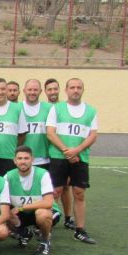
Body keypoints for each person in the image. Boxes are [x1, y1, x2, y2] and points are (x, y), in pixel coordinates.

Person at [46, 77, 98, 244]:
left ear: (83, 90)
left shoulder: (91, 111)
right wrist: (67, 151)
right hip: (58, 157)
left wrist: (77, 150)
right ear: (66, 90)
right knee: (55, 193)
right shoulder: (57, 109)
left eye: (79, 87)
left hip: (80, 158)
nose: (75, 90)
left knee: (79, 193)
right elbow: (50, 133)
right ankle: (47, 229)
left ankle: (80, 230)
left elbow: (93, 135)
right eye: (72, 87)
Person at [5, 146, 59, 255]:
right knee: (3, 214)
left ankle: (45, 241)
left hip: (44, 212)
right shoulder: (8, 176)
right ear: (14, 161)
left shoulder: (42, 174)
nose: (23, 161)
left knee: (42, 214)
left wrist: (21, 207)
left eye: (26, 158)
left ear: (32, 160)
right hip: (22, 214)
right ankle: (24, 233)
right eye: (19, 158)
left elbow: (48, 203)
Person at [45, 76, 75, 229]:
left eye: (55, 89)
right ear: (45, 92)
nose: (53, 92)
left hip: (61, 154)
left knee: (66, 186)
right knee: (53, 188)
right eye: (49, 89)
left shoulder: (65, 108)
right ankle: (51, 214)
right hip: (46, 154)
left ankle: (68, 217)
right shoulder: (43, 108)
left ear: (60, 90)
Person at [21, 79, 52, 169]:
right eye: (30, 90)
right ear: (24, 91)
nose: (32, 92)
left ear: (41, 91)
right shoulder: (16, 108)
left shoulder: (49, 108)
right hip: (21, 159)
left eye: (35, 90)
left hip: (43, 160)